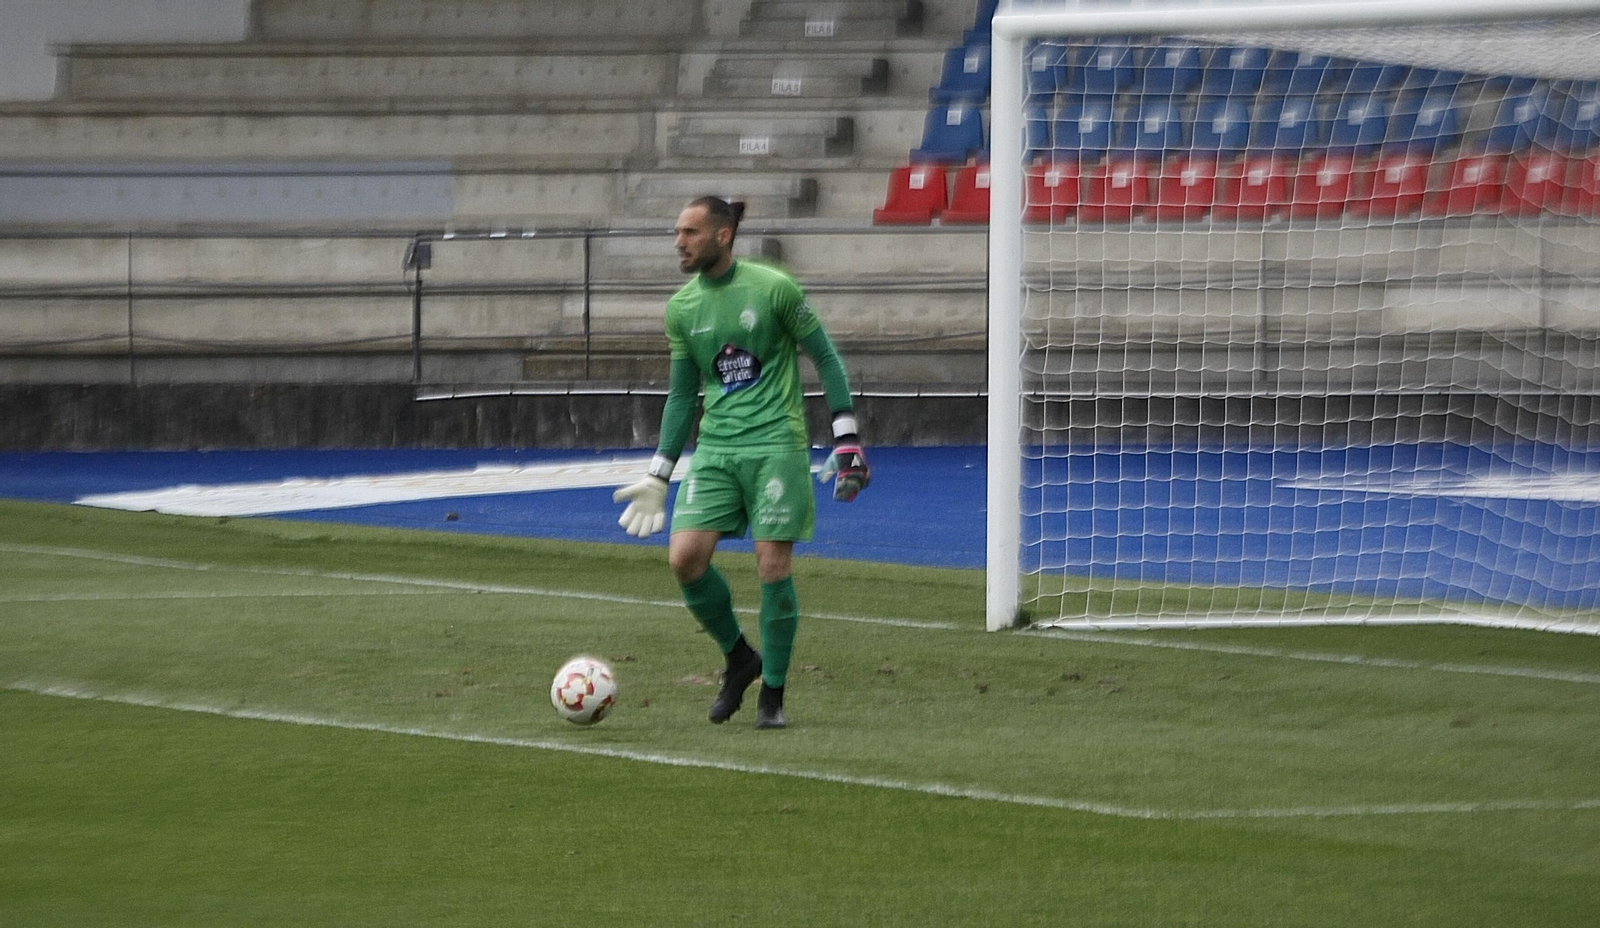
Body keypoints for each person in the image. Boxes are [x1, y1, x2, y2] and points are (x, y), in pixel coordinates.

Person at [612, 196, 869, 729]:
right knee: (684, 560)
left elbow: (826, 358)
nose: (679, 242)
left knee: (772, 567)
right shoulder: (682, 307)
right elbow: (683, 397)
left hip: (777, 445)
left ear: (723, 235)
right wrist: (661, 471)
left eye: (690, 232)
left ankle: (772, 694)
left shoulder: (774, 288)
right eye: (677, 232)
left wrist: (845, 437)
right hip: (717, 451)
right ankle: (739, 658)